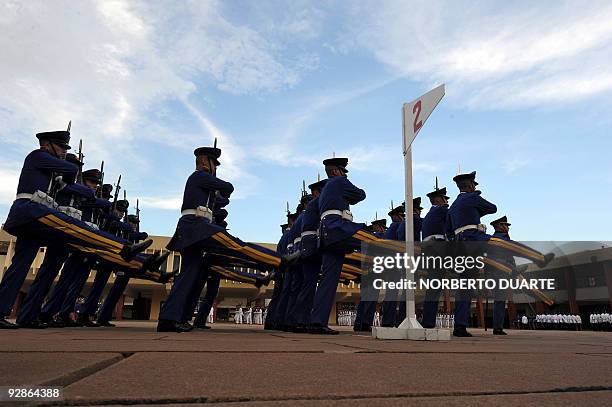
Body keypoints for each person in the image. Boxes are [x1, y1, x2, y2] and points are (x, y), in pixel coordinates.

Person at [0, 129, 152, 329]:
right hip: (31, 212)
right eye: (61, 147)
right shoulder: (38, 156)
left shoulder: (54, 175)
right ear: (47, 144)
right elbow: (75, 182)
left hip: (41, 220)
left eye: (65, 148)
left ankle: (27, 316)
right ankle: (124, 248)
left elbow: (74, 185)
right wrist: (75, 172)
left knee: (29, 269)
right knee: (81, 236)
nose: (63, 151)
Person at [157, 143, 287, 332]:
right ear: (203, 162)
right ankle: (278, 260)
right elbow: (228, 187)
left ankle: (169, 319)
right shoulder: (199, 176)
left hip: (193, 229)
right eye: (213, 163)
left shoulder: (203, 183)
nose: (215, 167)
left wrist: (217, 189)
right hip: (197, 226)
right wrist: (216, 183)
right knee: (236, 245)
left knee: (187, 278)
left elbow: (223, 199)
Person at [446, 171, 555, 337]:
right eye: (474, 185)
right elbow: (493, 208)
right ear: (469, 186)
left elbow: (449, 230)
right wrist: (476, 196)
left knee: (465, 287)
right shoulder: (472, 198)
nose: (475, 187)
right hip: (475, 239)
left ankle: (459, 326)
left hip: (460, 246)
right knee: (504, 244)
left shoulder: (453, 206)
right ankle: (539, 258)